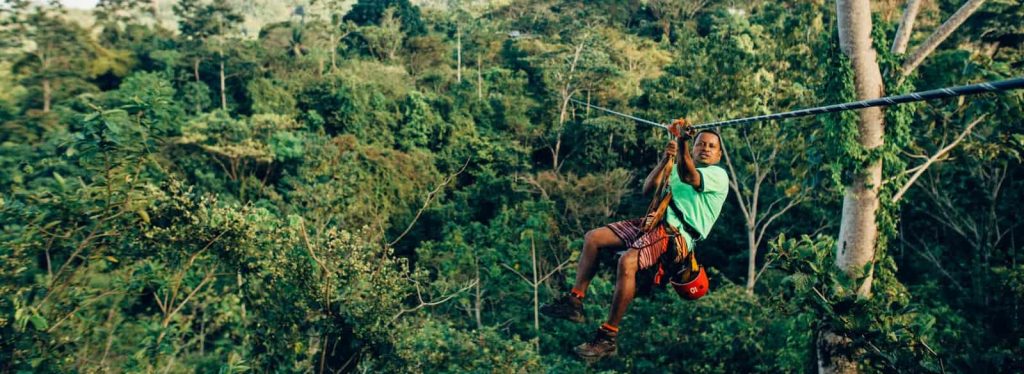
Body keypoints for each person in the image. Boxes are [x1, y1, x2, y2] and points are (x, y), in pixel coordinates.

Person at [540, 120, 730, 361]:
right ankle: (574, 301)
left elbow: (690, 176)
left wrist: (682, 140)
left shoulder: (717, 175)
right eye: (700, 143)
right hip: (653, 222)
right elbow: (648, 188)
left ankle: (607, 337)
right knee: (594, 238)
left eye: (711, 146)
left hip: (676, 235)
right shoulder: (680, 166)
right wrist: (665, 160)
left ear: (719, 154)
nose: (705, 148)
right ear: (693, 148)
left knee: (627, 263)